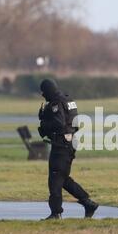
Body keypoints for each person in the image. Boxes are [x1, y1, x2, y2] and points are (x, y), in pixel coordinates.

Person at [38, 79, 99, 220]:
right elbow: (74, 122)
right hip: (69, 143)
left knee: (54, 179)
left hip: (61, 145)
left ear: (47, 91)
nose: (43, 96)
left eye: (43, 93)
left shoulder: (55, 103)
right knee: (62, 178)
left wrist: (45, 123)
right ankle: (87, 202)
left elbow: (58, 123)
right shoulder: (68, 100)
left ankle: (56, 213)